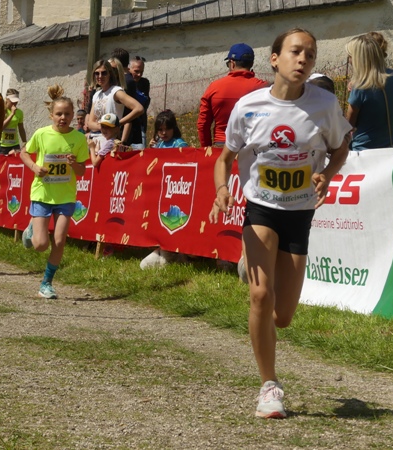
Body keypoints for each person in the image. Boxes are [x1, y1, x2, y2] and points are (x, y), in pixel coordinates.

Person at [209, 28, 351, 419]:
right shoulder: (249, 106)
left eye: (310, 54)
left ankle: (263, 312)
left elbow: (341, 148)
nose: (303, 59)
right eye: (295, 51)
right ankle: (269, 386)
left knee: (282, 316)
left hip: (300, 213)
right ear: (274, 59)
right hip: (261, 208)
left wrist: (327, 174)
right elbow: (224, 158)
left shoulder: (324, 105)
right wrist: (222, 190)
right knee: (260, 295)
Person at [19, 85, 88, 299]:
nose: (63, 118)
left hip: (65, 196)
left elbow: (82, 171)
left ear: (73, 115)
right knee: (41, 245)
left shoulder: (79, 139)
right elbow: (24, 153)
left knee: (59, 240)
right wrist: (34, 167)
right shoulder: (42, 134)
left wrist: (74, 164)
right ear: (51, 115)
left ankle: (47, 283)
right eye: (59, 114)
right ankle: (31, 229)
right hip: (42, 194)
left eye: (67, 114)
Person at [141, 110, 189, 269]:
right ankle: (162, 247)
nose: (163, 133)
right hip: (161, 190)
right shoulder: (159, 144)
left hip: (177, 190)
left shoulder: (180, 144)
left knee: (175, 220)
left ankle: (179, 253)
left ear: (173, 128)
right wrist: (151, 151)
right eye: (160, 129)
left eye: (167, 129)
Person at [197, 43, 268, 148]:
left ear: (232, 63)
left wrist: (206, 148)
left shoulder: (214, 87)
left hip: (222, 144)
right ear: (252, 63)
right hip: (252, 147)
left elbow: (203, 124)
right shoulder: (263, 88)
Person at [345, 34, 393, 150]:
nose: (349, 60)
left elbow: (349, 125)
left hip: (365, 150)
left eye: (350, 56)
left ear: (359, 58)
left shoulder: (361, 85)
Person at [86, 60, 143, 147]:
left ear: (110, 74)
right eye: (97, 73)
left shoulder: (116, 91)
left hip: (110, 141)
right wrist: (103, 126)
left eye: (104, 73)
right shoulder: (96, 95)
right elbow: (90, 123)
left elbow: (139, 108)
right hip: (95, 139)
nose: (100, 76)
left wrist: (117, 124)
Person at [112, 48, 144, 149]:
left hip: (125, 131)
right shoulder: (123, 79)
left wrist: (123, 140)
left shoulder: (128, 81)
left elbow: (129, 111)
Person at [130, 56, 151, 147]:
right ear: (129, 69)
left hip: (140, 125)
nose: (139, 74)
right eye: (136, 71)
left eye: (141, 72)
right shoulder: (123, 83)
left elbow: (143, 104)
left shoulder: (144, 83)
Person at [0, 88, 26, 155]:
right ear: (7, 99)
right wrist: (12, 114)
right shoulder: (2, 111)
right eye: (13, 101)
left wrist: (25, 142)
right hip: (2, 145)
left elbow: (21, 128)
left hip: (14, 144)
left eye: (16, 101)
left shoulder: (19, 112)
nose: (15, 103)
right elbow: (1, 127)